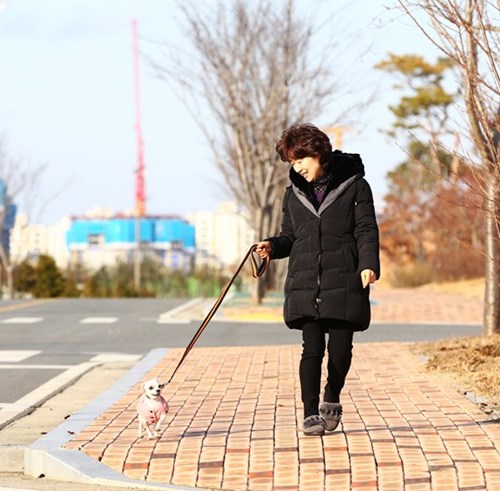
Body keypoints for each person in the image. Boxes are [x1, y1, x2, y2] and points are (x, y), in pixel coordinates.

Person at [255, 123, 380, 436]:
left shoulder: (356, 186)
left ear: (318, 153)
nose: (297, 168)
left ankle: (332, 397)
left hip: (345, 279)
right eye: (292, 163)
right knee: (311, 350)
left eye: (301, 160)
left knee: (340, 351)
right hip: (306, 281)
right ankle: (310, 413)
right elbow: (290, 236)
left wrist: (368, 264)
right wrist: (272, 245)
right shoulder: (292, 195)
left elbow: (366, 229)